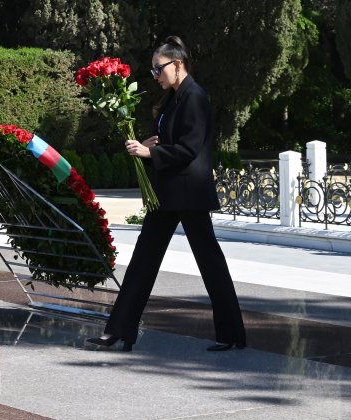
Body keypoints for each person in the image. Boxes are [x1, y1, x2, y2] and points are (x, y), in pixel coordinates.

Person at [87, 36, 246, 352]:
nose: (155, 75)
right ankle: (119, 330)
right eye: (153, 70)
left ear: (178, 64)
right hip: (169, 192)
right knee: (143, 260)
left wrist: (149, 155)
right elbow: (170, 139)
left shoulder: (195, 97)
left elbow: (189, 148)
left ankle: (232, 335)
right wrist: (149, 144)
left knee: (210, 262)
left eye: (159, 69)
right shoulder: (175, 97)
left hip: (189, 193)